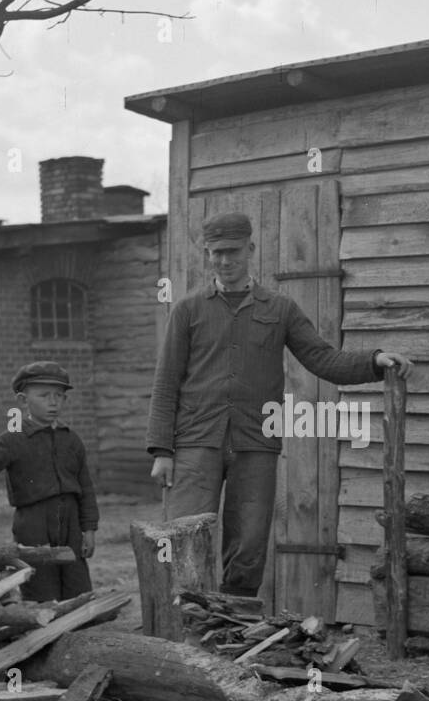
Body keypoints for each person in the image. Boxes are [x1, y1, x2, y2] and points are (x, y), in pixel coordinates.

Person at [147, 211, 413, 597]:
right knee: (184, 536)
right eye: (217, 253)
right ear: (207, 254)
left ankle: (232, 626)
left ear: (251, 250)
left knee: (249, 543)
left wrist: (374, 361)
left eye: (233, 251)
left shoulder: (279, 309)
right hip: (194, 443)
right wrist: (161, 450)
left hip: (255, 443)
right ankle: (179, 626)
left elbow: (323, 358)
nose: (225, 260)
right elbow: (166, 381)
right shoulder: (188, 311)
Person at [0, 360, 97, 601]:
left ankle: (78, 630)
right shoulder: (14, 438)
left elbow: (86, 487)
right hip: (33, 520)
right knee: (40, 579)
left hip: (70, 518)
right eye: (44, 395)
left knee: (76, 579)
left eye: (59, 396)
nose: (53, 402)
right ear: (22, 401)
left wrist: (89, 529)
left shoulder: (72, 440)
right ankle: (43, 630)